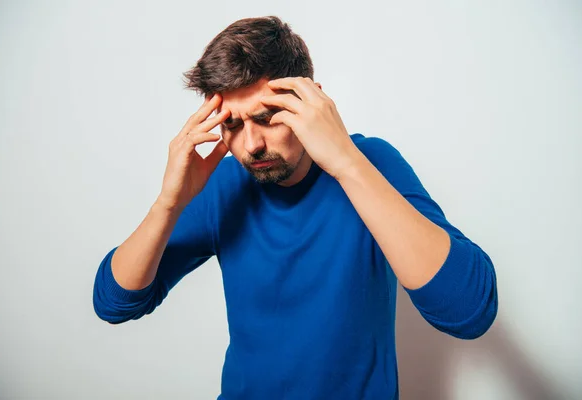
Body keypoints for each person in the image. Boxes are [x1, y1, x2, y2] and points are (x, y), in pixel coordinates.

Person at [92, 15, 498, 400]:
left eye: (267, 118)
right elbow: (114, 302)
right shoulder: (226, 184)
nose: (250, 145)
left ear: (312, 102)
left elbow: (467, 309)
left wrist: (346, 162)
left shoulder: (369, 164)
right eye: (232, 125)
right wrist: (169, 203)